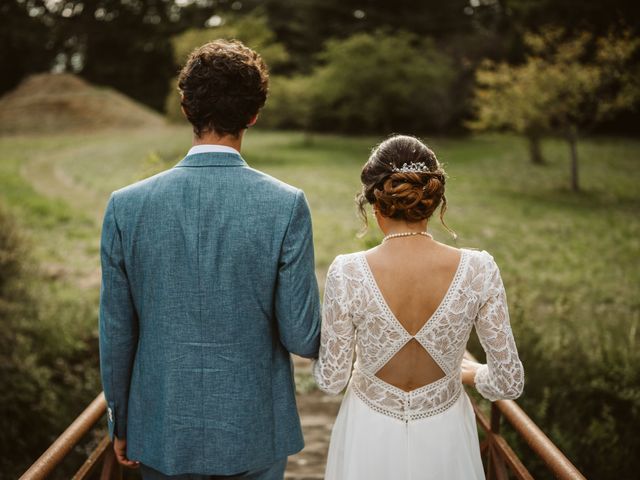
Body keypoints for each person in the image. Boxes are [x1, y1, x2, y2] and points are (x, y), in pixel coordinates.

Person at [98, 39, 321, 480]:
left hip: (161, 428)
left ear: (185, 107)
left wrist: (121, 421)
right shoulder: (286, 205)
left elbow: (116, 334)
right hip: (253, 430)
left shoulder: (125, 206)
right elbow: (301, 335)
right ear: (254, 115)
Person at [312, 134, 525, 479]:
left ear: (375, 204)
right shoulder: (478, 269)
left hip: (369, 429)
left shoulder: (348, 271)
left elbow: (333, 379)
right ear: (434, 200)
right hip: (445, 432)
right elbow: (508, 382)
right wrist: (465, 371)